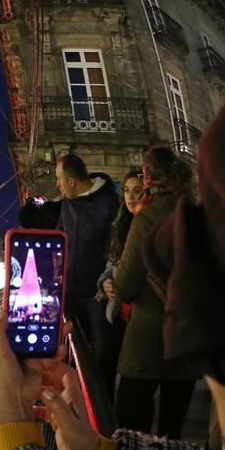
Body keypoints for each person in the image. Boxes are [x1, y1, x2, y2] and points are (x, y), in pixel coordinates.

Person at [0, 90, 225, 450]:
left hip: (143, 348)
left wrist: (10, 413)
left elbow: (125, 284)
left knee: (130, 410)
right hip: (165, 363)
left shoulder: (148, 218)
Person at [114, 147, 198, 439]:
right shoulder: (198, 212)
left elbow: (125, 286)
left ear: (148, 177)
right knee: (172, 432)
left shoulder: (149, 217)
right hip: (188, 337)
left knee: (131, 428)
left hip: (148, 340)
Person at [55, 153, 118, 369]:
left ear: (72, 181)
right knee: (73, 353)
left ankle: (104, 401)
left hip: (97, 295)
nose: (58, 185)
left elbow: (117, 247)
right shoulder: (67, 204)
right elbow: (58, 239)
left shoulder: (110, 202)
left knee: (102, 356)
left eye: (60, 180)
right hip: (71, 292)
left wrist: (107, 281)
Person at [94, 168, 143, 401]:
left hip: (142, 316)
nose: (131, 196)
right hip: (118, 314)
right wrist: (105, 283)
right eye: (126, 191)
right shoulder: (121, 225)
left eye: (137, 191)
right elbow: (109, 266)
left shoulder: (150, 225)